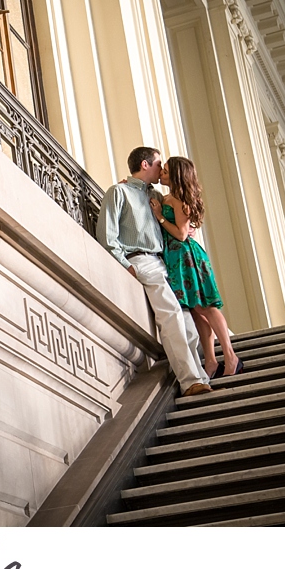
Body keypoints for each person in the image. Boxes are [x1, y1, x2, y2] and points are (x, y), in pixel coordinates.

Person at [96, 147, 212, 397]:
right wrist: (125, 264)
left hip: (165, 262)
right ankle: (189, 381)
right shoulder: (119, 192)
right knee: (171, 314)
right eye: (159, 164)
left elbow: (178, 220)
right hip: (141, 261)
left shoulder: (157, 196)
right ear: (146, 164)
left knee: (188, 322)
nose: (163, 169)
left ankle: (201, 377)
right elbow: (107, 236)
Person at [150, 156, 243, 377]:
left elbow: (182, 235)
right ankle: (210, 361)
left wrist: (161, 218)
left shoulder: (179, 199)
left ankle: (231, 356)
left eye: (165, 170)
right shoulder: (169, 197)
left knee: (205, 307)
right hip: (177, 257)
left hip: (186, 256)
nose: (161, 172)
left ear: (176, 174)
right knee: (196, 311)